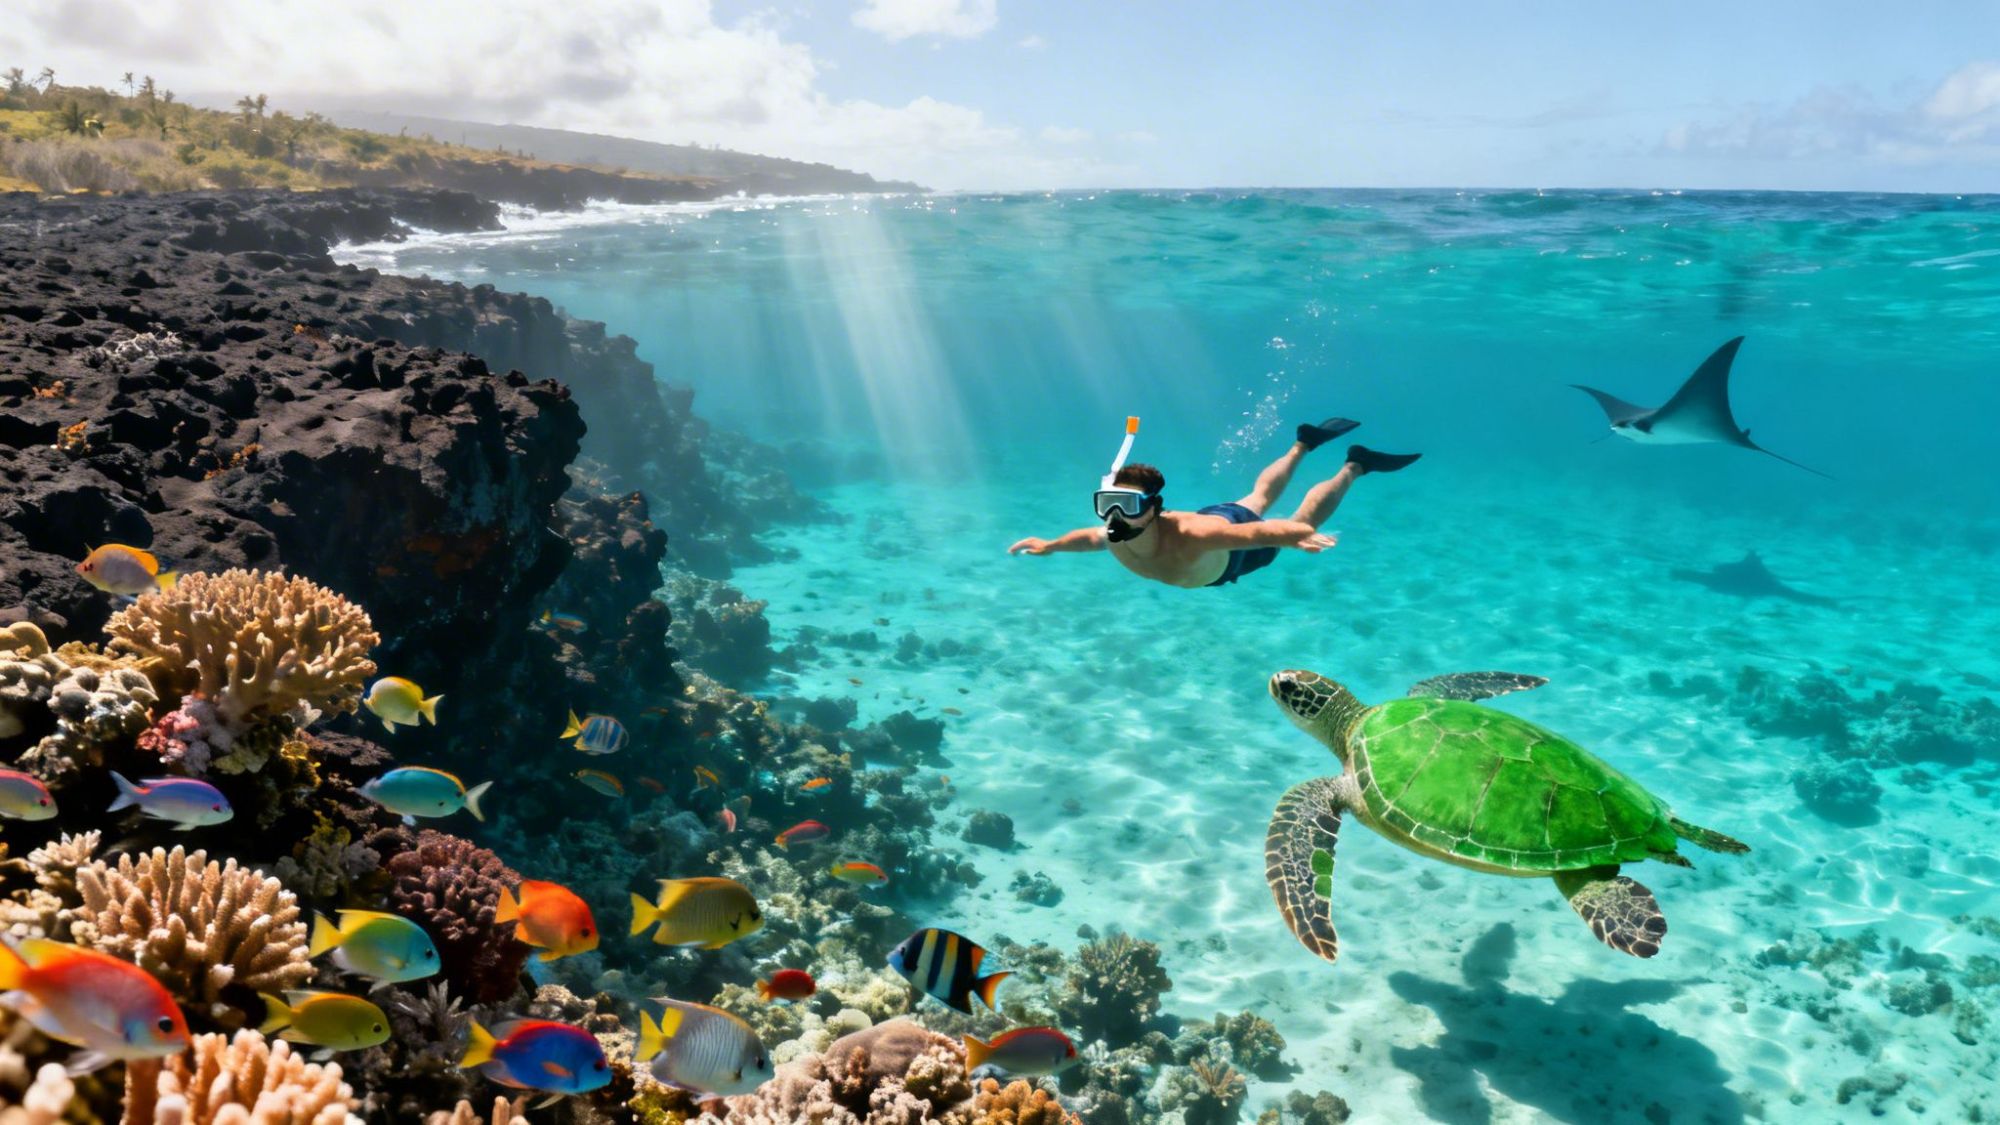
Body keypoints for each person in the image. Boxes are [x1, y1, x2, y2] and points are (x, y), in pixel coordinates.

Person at [1007, 418, 1420, 588]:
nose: (1115, 516)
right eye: (1107, 504)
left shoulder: (1193, 536)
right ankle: (1303, 444)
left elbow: (1252, 533)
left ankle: (1356, 465)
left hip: (1230, 552)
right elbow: (1090, 539)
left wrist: (1295, 535)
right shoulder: (1119, 526)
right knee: (1256, 497)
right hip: (1216, 525)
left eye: (1128, 507)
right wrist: (1051, 545)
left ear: (1154, 508)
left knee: (1298, 516)